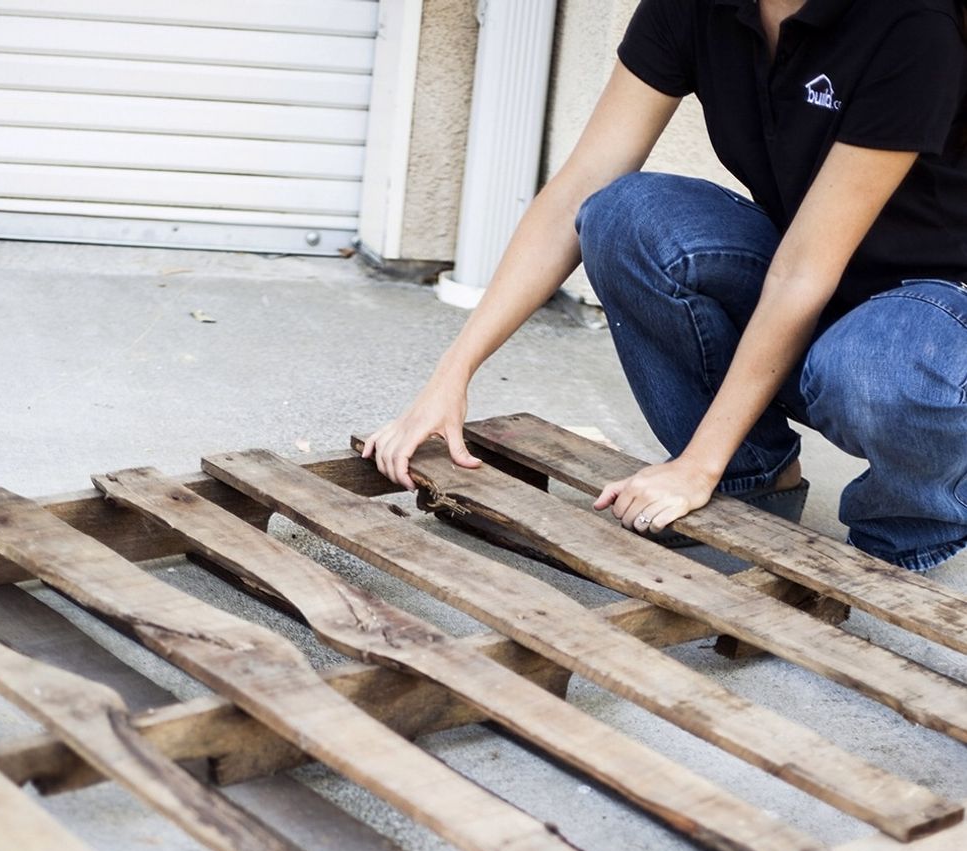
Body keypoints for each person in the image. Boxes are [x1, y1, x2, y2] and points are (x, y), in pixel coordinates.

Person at [363, 0, 967, 572]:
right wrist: (452, 375)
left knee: (874, 366)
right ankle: (751, 479)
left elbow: (803, 271)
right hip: (811, 277)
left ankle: (908, 533)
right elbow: (579, 188)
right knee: (622, 215)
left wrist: (696, 463)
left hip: (933, 318)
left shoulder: (913, 23)